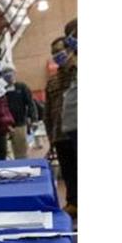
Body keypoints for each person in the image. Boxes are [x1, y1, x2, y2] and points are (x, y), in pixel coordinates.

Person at [48, 20, 78, 215]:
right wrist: (51, 136)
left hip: (77, 129)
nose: (57, 56)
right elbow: (48, 111)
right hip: (61, 132)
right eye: (54, 53)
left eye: (60, 51)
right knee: (68, 171)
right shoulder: (53, 80)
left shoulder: (75, 71)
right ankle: (73, 203)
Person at [2, 65, 37, 159]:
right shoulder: (1, 90)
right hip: (4, 125)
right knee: (5, 152)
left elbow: (30, 103)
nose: (9, 76)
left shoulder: (22, 87)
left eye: (11, 73)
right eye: (6, 74)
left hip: (19, 123)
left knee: (21, 152)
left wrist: (33, 119)